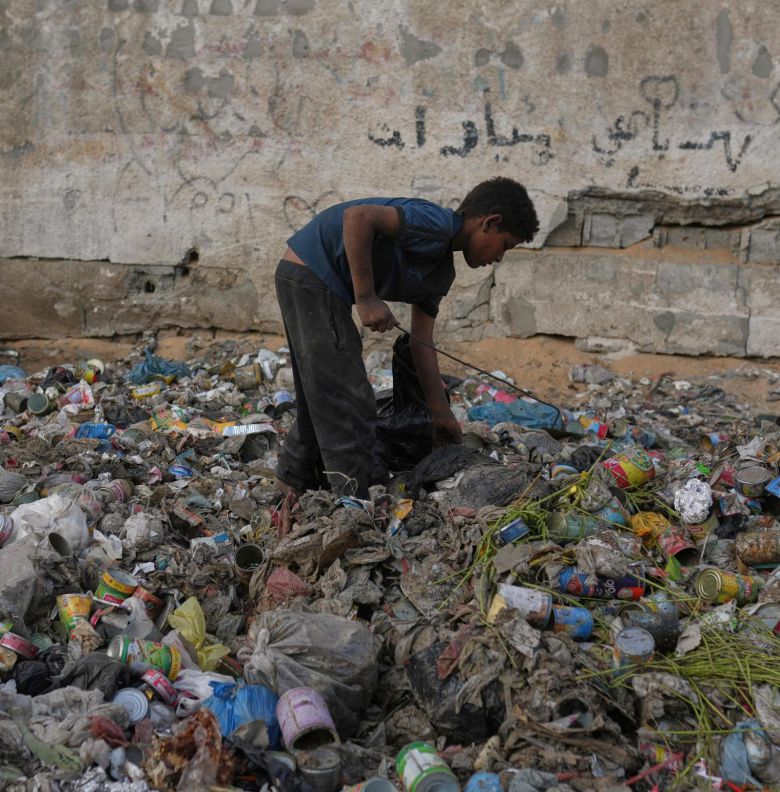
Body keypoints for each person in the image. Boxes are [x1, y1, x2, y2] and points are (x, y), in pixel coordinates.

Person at [274, 176, 539, 499]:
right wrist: (367, 298)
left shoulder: (441, 272)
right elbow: (358, 218)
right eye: (505, 246)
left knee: (321, 393)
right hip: (314, 273)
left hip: (305, 275)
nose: (498, 258)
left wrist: (442, 415)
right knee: (348, 396)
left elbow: (421, 344)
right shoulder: (436, 224)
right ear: (490, 223)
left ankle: (292, 481)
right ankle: (355, 498)